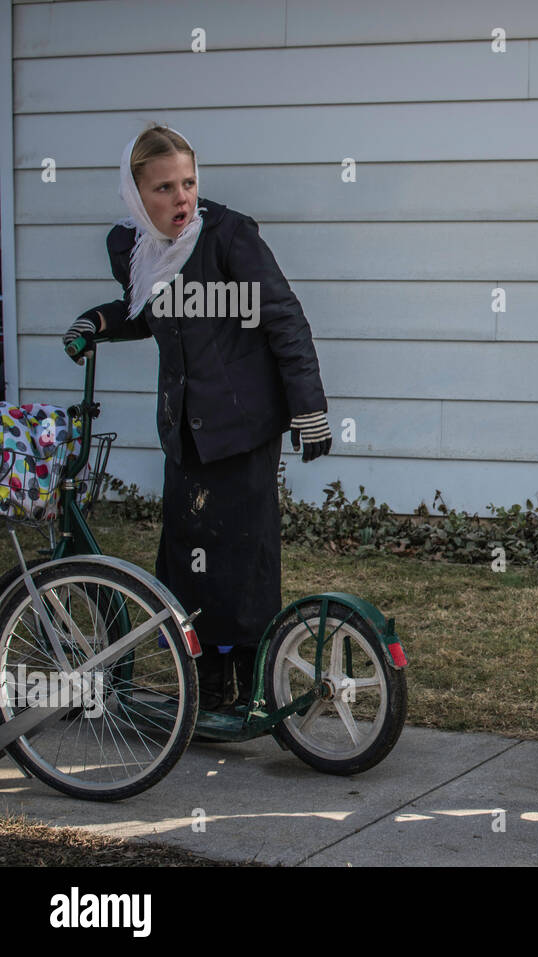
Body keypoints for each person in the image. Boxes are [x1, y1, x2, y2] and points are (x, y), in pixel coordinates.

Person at [64, 125, 331, 711]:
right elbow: (149, 309)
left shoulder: (229, 236)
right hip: (186, 431)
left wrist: (309, 408)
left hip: (243, 427)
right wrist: (102, 321)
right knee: (187, 559)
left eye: (188, 182)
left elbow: (284, 317)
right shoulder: (133, 246)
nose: (180, 198)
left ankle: (254, 685)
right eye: (163, 188)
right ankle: (207, 684)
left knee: (244, 557)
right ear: (137, 195)